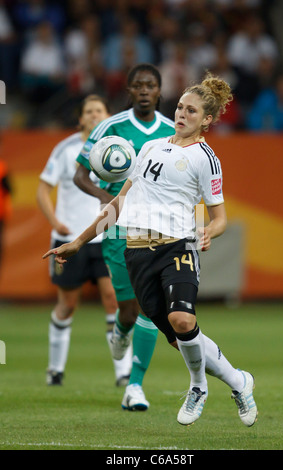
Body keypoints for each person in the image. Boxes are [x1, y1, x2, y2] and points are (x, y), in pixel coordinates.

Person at [43, 73, 258, 427]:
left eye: (191, 111)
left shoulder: (206, 158)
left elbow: (219, 218)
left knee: (182, 319)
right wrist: (79, 242)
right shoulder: (150, 148)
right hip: (137, 253)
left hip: (177, 248)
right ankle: (238, 380)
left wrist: (208, 232)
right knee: (181, 339)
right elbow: (118, 203)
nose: (182, 114)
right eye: (179, 107)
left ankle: (198, 386)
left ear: (206, 120)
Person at [73, 63, 175, 411]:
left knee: (149, 306)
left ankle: (134, 386)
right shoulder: (109, 127)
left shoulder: (173, 131)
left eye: (151, 85)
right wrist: (107, 199)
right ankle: (120, 329)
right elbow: (79, 175)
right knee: (128, 309)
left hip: (156, 227)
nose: (144, 90)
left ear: (160, 91)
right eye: (138, 85)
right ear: (129, 90)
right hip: (116, 226)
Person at [37, 94, 132, 387]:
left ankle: (123, 374)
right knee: (67, 305)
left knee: (112, 300)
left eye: (99, 110)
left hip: (106, 234)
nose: (94, 115)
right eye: (88, 111)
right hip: (69, 237)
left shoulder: (118, 147)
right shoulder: (65, 149)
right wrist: (55, 223)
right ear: (80, 118)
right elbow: (43, 189)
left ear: (108, 115)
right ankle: (55, 370)